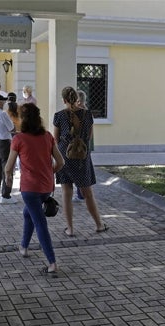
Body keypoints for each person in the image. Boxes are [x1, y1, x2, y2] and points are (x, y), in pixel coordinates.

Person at [5, 103, 64, 275]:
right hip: (46, 187)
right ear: (38, 118)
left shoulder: (18, 139)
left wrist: (8, 179)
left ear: (22, 119)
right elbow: (61, 162)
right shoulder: (47, 136)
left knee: (40, 222)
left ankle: (52, 263)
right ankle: (23, 247)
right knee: (27, 213)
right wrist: (48, 172)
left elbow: (8, 167)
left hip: (30, 189)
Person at [54, 86, 108, 236]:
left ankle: (70, 228)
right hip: (82, 157)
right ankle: (99, 224)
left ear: (64, 100)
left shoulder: (59, 116)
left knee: (66, 192)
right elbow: (89, 137)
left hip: (64, 155)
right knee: (87, 192)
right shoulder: (87, 115)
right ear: (76, 99)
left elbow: (55, 139)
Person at [0, 93, 17, 204]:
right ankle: (6, 195)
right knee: (7, 168)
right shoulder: (3, 114)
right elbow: (12, 128)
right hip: (4, 143)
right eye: (3, 101)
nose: (5, 103)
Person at [73, 89, 89, 203]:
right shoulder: (87, 112)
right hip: (84, 145)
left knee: (79, 170)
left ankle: (81, 195)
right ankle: (81, 194)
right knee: (81, 170)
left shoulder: (81, 113)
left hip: (80, 145)